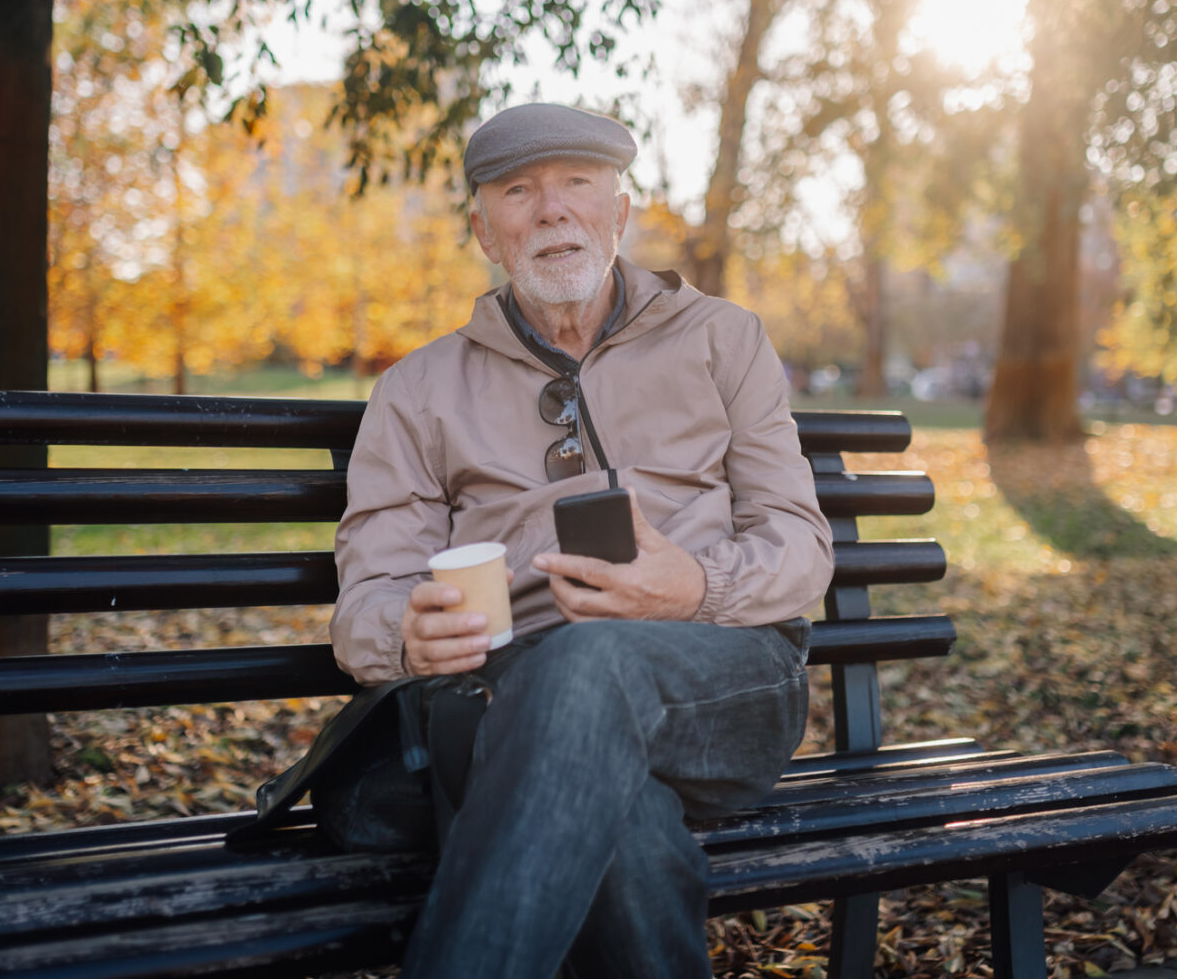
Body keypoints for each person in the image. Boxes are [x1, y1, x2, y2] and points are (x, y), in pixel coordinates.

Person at [329, 102, 834, 979]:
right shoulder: (416, 392)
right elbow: (366, 600)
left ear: (619, 212)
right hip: (509, 699)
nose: (552, 210)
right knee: (624, 823)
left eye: (577, 184)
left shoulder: (724, 339)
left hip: (723, 676)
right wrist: (403, 633)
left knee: (586, 667)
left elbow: (800, 543)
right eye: (519, 192)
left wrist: (696, 589)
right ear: (487, 231)